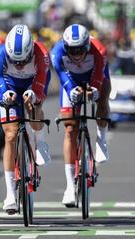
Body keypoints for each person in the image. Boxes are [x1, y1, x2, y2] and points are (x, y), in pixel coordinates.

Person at [0, 24, 51, 213]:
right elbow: (0, 82)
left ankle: (40, 142)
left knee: (34, 107)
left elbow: (41, 86)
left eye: (23, 61)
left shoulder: (41, 54)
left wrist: (34, 95)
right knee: (10, 135)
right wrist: (5, 95)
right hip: (9, 84)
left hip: (33, 83)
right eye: (14, 61)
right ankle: (10, 193)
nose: (18, 64)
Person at [51, 24, 111, 207]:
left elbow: (100, 75)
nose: (76, 55)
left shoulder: (99, 50)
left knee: (102, 102)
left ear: (87, 45)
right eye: (72, 50)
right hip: (71, 80)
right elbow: (62, 76)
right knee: (70, 128)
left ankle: (102, 139)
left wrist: (95, 90)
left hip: (95, 76)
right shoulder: (56, 52)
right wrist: (71, 89)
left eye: (80, 50)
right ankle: (70, 186)